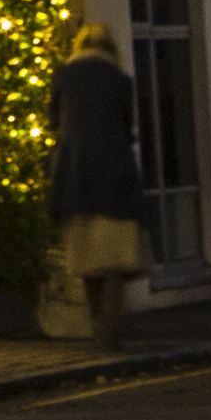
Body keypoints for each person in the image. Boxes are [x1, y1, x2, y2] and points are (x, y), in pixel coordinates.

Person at [49, 22, 152, 347]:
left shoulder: (63, 76)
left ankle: (96, 321)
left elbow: (54, 121)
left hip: (75, 173)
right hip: (115, 172)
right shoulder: (120, 80)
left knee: (85, 259)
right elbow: (127, 127)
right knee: (117, 259)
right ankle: (112, 323)